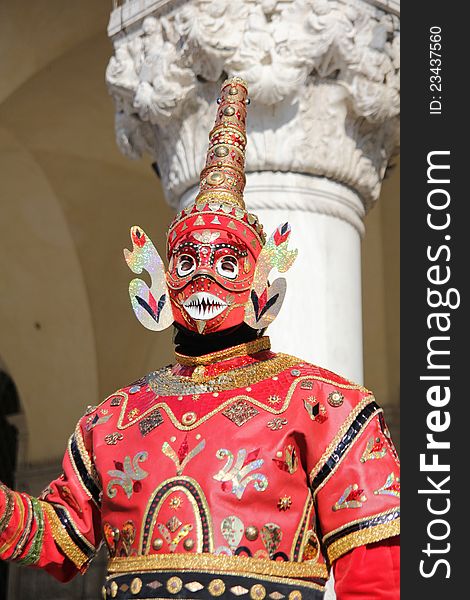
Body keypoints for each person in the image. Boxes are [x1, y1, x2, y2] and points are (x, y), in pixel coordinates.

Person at [0, 78, 399, 599]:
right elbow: (59, 537)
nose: (202, 278)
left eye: (226, 262)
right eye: (186, 261)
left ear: (263, 278)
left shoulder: (325, 406)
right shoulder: (113, 418)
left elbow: (377, 571)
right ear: (160, 279)